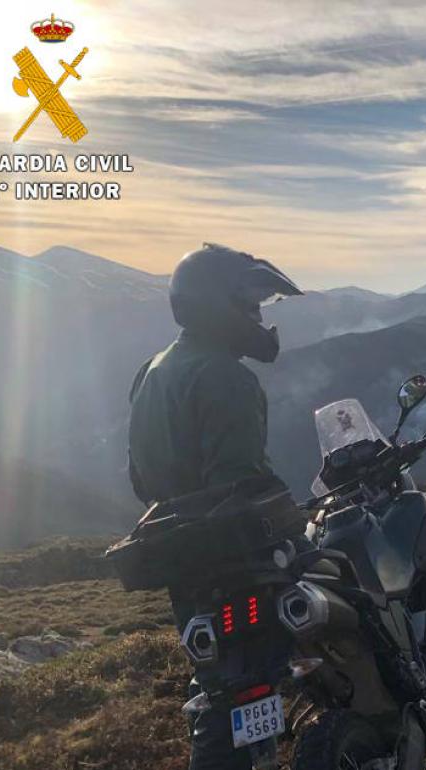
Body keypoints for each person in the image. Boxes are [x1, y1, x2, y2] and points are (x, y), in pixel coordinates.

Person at [127, 243, 302, 770]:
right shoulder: (227, 377)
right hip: (233, 562)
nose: (258, 317)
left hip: (184, 561)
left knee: (220, 684)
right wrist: (296, 526)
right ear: (216, 305)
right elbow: (239, 487)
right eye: (249, 305)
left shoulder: (153, 370)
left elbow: (140, 480)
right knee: (256, 679)